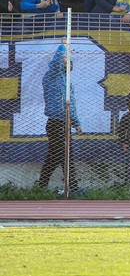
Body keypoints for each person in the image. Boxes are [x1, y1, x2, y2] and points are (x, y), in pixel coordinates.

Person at [37, 45, 81, 194]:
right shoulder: (51, 77)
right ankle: (71, 187)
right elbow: (56, 63)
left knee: (62, 156)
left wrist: (76, 123)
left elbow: (70, 106)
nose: (67, 63)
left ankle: (46, 186)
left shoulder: (68, 84)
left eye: (69, 62)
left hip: (66, 123)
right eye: (65, 61)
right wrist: (64, 48)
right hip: (56, 123)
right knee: (59, 155)